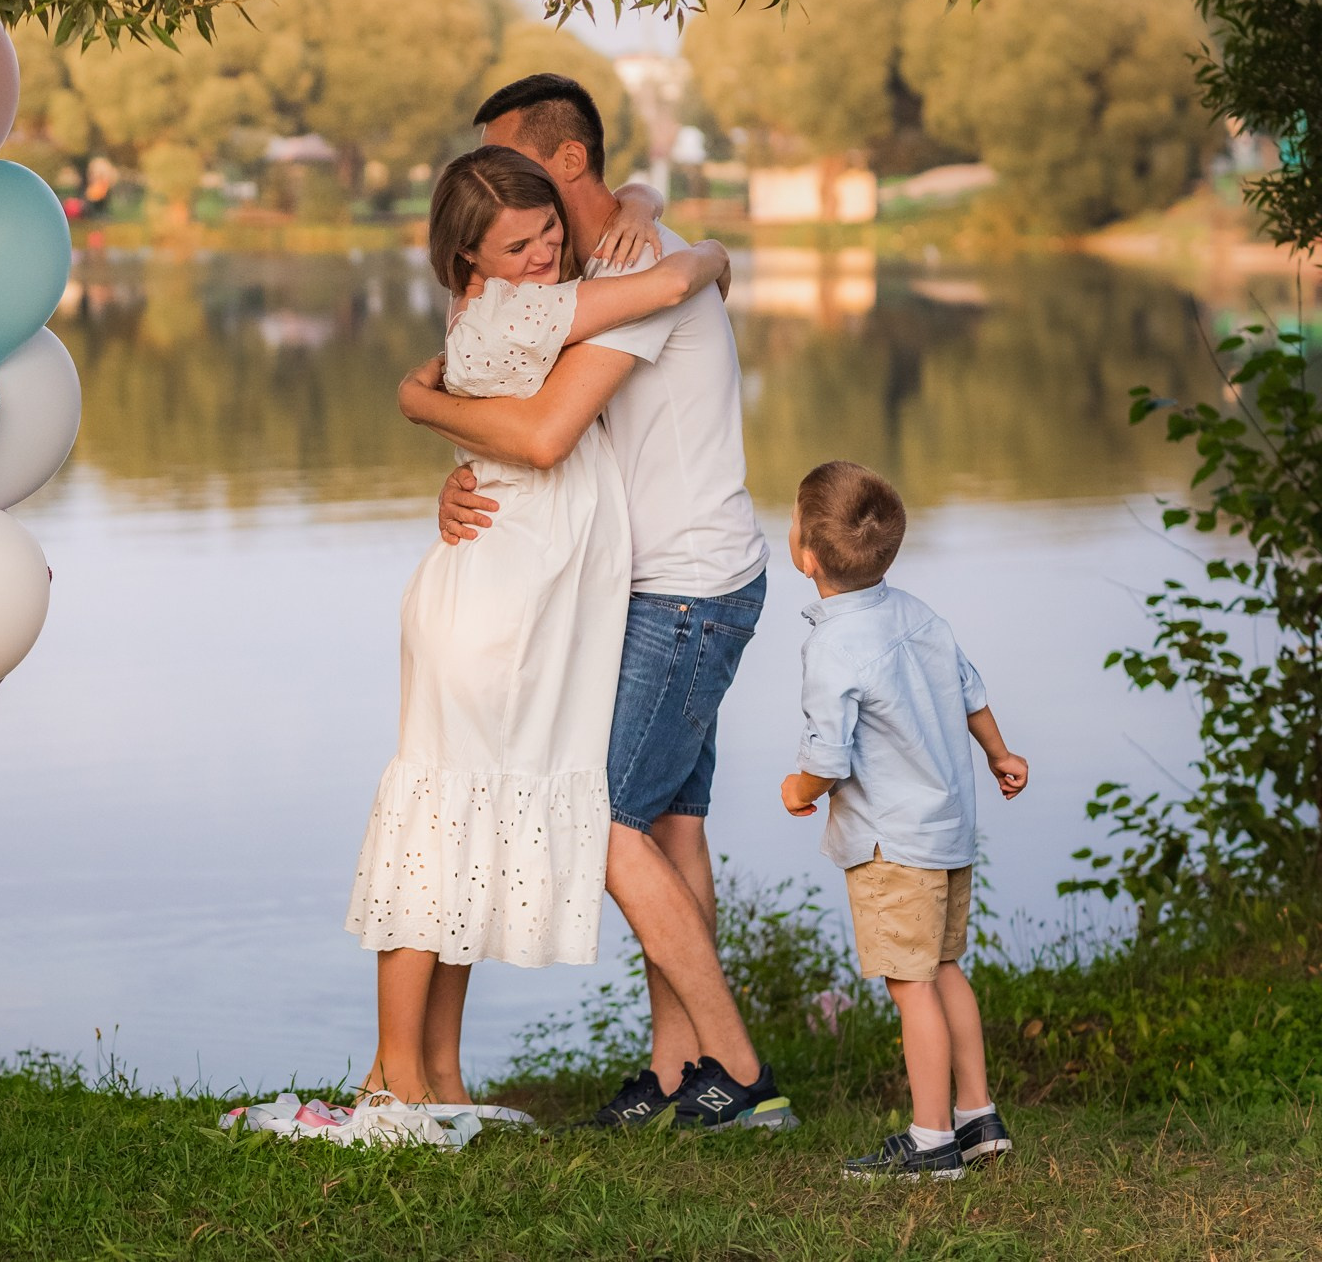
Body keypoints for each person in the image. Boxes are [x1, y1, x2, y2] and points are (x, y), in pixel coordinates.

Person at [403, 73, 794, 1131]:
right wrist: (459, 470)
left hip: (683, 591)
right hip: (669, 582)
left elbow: (543, 433)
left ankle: (739, 1072)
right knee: (670, 826)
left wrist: (422, 405)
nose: (500, 186)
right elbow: (510, 406)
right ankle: (678, 1072)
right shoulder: (596, 268)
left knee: (606, 821)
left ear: (565, 162)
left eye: (515, 165)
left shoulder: (632, 273)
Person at [349, 146, 732, 1108]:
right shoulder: (519, 314)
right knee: (438, 827)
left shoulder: (518, 308)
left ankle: (442, 1073)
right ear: (467, 260)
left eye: (548, 231)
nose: (542, 253)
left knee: (467, 827)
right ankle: (396, 1073)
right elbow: (669, 283)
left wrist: (638, 196)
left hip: (517, 604)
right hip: (491, 615)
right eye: (516, 244)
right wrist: (712, 251)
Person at [778, 460, 1028, 1180]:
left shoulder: (833, 645)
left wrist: (799, 788)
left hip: (893, 846)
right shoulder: (918, 613)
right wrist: (1000, 754)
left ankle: (930, 1140)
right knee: (945, 967)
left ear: (807, 555)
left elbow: (828, 756)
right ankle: (978, 1117)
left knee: (910, 983)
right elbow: (970, 690)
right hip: (948, 829)